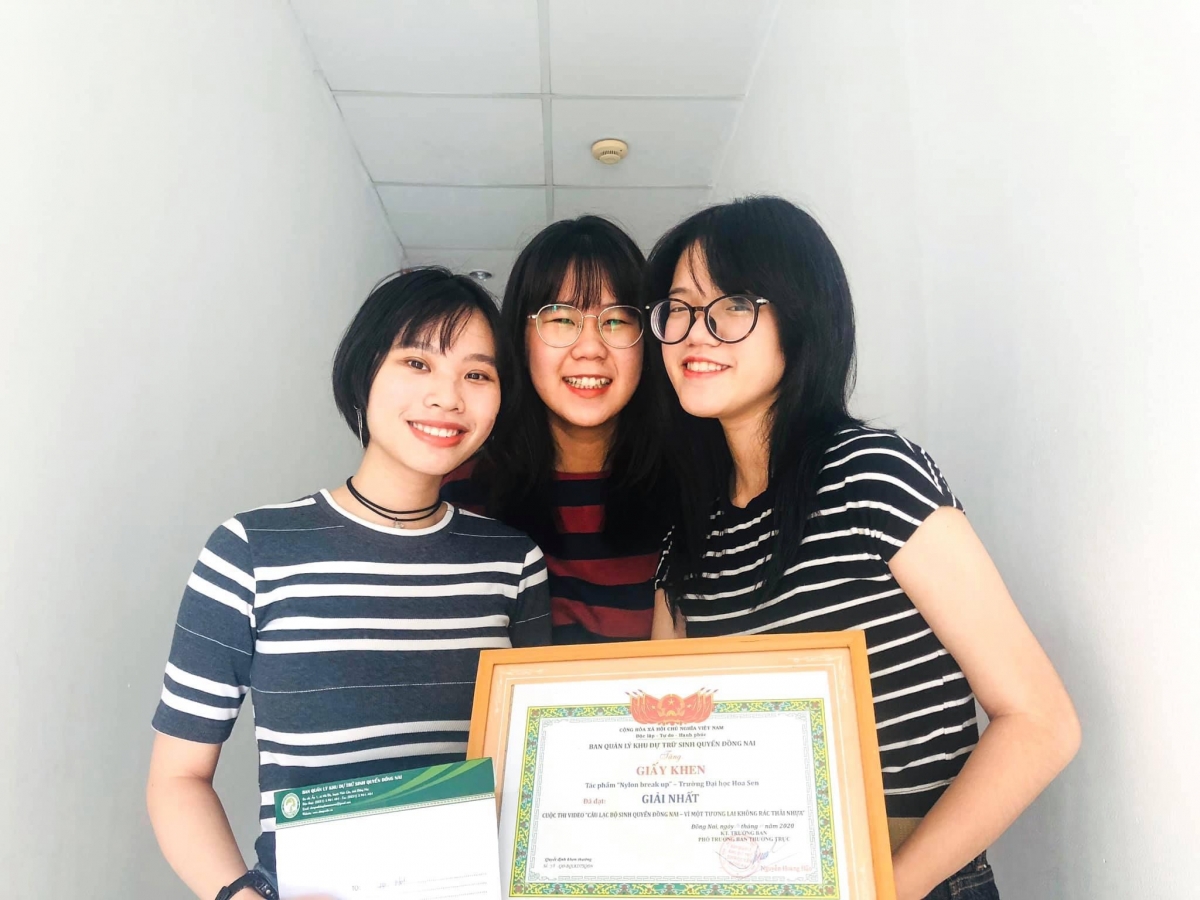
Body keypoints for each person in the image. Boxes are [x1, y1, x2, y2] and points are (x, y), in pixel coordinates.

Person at [646, 197, 1080, 900]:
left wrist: (888, 890)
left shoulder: (872, 477)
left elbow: (1040, 722)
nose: (697, 332)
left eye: (732, 305)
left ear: (801, 316)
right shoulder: (687, 542)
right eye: (679, 309)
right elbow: (673, 755)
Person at [146, 268, 550, 900]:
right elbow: (178, 778)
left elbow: (532, 769)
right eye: (417, 362)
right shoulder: (250, 550)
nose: (448, 397)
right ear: (364, 373)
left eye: (477, 375)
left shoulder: (514, 562)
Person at [443, 216, 672, 643]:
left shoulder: (691, 493)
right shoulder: (461, 492)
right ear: (521, 335)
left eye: (617, 321)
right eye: (562, 319)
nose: (590, 349)